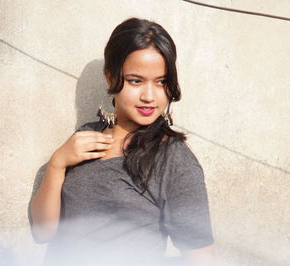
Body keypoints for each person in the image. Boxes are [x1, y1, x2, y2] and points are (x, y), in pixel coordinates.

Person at [29, 17, 215, 266]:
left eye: (160, 82)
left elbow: (201, 258)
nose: (149, 96)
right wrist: (57, 164)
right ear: (110, 77)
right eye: (135, 81)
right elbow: (42, 233)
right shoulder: (84, 140)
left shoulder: (173, 159)